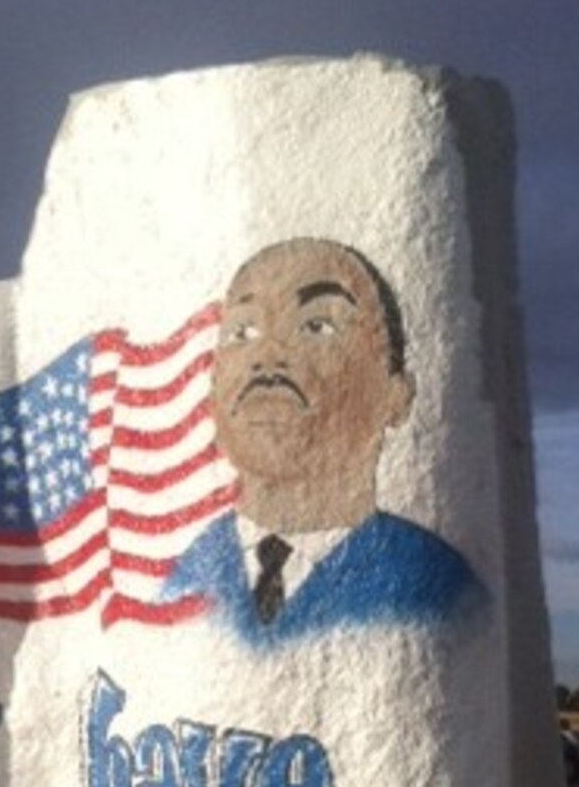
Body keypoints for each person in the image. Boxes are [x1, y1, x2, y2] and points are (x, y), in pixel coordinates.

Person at [165, 236, 484, 641]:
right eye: (242, 331)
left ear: (396, 395)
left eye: (316, 326)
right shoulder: (184, 577)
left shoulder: (442, 591)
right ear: (211, 394)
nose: (267, 355)